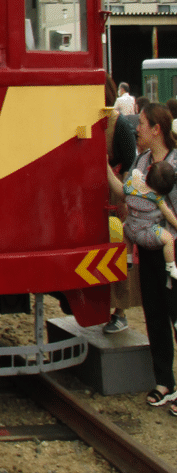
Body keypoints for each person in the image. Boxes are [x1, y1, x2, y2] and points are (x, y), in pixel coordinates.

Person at [107, 103, 177, 410]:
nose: (137, 128)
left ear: (156, 129)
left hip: (171, 251)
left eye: (143, 123)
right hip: (149, 253)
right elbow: (127, 193)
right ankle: (165, 382)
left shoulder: (174, 164)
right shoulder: (141, 160)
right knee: (156, 316)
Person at [105, 74, 138, 334]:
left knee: (118, 252)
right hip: (95, 195)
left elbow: (129, 163)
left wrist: (124, 199)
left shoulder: (120, 125)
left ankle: (120, 311)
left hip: (115, 198)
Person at [121, 161, 177, 278]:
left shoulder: (132, 185)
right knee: (169, 240)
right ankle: (171, 267)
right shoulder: (155, 197)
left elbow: (124, 188)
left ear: (148, 168)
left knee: (124, 228)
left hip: (130, 229)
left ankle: (128, 259)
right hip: (147, 233)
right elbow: (168, 214)